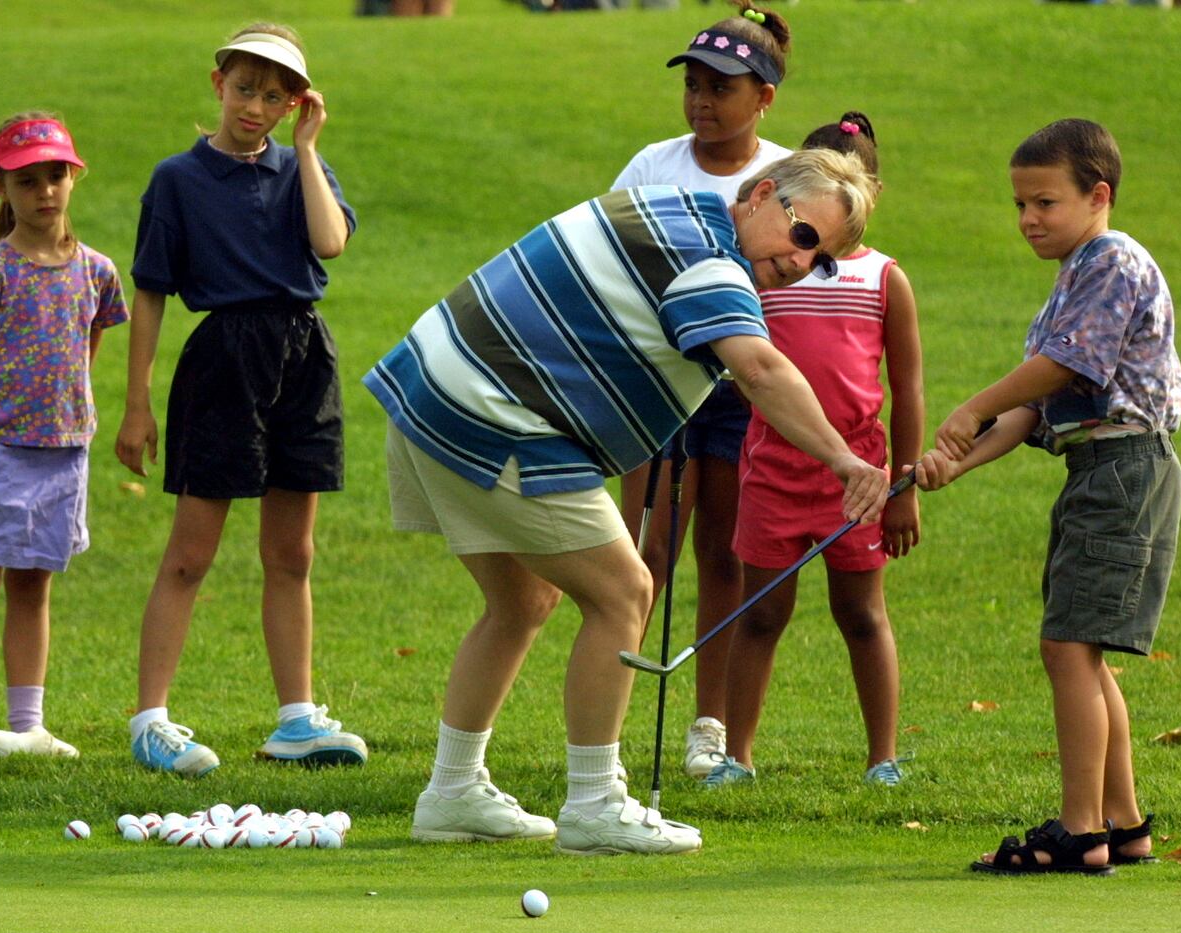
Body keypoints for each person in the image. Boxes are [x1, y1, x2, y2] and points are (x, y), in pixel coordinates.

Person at [364, 148, 889, 855]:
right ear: (763, 195)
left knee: (523, 602)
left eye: (820, 258)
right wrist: (843, 459)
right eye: (801, 235)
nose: (800, 264)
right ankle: (593, 804)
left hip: (430, 387)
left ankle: (451, 793)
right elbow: (761, 369)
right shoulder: (715, 263)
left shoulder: (670, 208)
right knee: (623, 592)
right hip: (494, 413)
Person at [913, 118, 1181, 874]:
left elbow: (1063, 366)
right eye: (1019, 205)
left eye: (1044, 202)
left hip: (1124, 469)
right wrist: (954, 461)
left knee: (1067, 647)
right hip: (1098, 468)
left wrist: (969, 407)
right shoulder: (1076, 272)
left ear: (1098, 196)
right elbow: (1033, 410)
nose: (1029, 219)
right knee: (1083, 652)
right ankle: (1122, 825)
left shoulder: (1112, 262)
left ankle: (1078, 831)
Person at [115, 23, 363, 777]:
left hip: (305, 357)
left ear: (296, 104)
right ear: (218, 83)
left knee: (293, 551)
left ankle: (296, 718)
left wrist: (311, 151)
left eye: (276, 96)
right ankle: (150, 720)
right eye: (246, 88)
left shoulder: (302, 170)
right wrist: (136, 403)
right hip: (224, 358)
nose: (257, 106)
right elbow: (152, 294)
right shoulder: (177, 180)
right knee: (192, 553)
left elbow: (330, 244)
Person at [705, 112, 924, 788]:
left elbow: (907, 387)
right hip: (771, 471)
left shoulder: (885, 278)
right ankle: (736, 757)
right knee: (762, 611)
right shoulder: (766, 269)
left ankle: (882, 757)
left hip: (858, 481)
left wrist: (902, 487)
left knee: (861, 614)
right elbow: (754, 371)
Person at [611, 1, 794, 781]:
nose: (702, 102)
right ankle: (610, 720)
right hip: (656, 379)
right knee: (641, 551)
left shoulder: (787, 177)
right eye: (693, 84)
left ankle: (708, 724)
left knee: (722, 553)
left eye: (722, 87)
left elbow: (803, 279)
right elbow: (613, 255)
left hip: (739, 387)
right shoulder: (653, 165)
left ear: (764, 98)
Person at [0, 113, 128, 760]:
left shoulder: (98, 272)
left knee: (34, 583)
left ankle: (27, 727)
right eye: (27, 181)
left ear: (74, 177)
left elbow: (87, 348)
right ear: (1, 188)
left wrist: (58, 419)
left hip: (63, 452)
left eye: (55, 176)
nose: (44, 191)